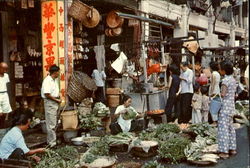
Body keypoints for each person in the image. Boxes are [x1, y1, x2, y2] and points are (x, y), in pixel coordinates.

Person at [217, 61, 237, 159]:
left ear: (224, 71)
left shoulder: (225, 81)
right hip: (231, 106)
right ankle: (232, 148)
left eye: (220, 69)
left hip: (225, 107)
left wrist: (217, 95)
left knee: (223, 128)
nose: (219, 70)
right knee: (230, 128)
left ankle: (224, 152)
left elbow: (223, 94)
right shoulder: (233, 80)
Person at [41, 65, 61, 147]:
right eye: (58, 72)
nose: (59, 73)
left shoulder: (54, 80)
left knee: (55, 122)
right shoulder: (47, 80)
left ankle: (53, 140)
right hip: (50, 102)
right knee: (51, 124)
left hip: (55, 102)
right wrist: (56, 100)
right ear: (55, 72)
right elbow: (47, 94)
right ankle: (51, 143)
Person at [0, 62, 12, 129]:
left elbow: (7, 85)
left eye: (6, 69)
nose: (5, 71)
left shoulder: (6, 75)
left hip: (4, 94)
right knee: (0, 113)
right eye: (3, 69)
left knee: (5, 112)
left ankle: (2, 127)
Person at [209, 61, 221, 125]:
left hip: (214, 90)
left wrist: (211, 92)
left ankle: (214, 121)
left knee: (213, 106)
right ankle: (216, 121)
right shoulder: (218, 73)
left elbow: (213, 83)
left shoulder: (213, 74)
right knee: (216, 106)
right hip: (217, 90)